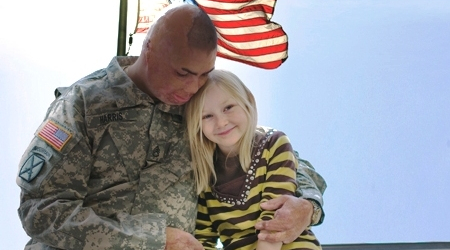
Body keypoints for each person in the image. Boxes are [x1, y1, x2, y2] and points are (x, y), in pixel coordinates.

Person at [16, 3, 325, 250]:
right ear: (149, 49)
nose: (193, 87)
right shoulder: (84, 103)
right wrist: (154, 239)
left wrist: (307, 206)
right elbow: (42, 210)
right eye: (183, 72)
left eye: (205, 74)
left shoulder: (202, 108)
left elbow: (271, 153)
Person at [185, 69, 321, 250]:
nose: (221, 122)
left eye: (228, 108)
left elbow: (274, 218)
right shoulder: (204, 170)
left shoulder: (273, 143)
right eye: (207, 116)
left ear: (248, 101)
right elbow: (204, 238)